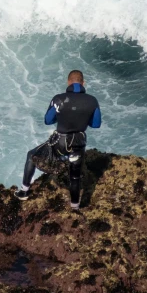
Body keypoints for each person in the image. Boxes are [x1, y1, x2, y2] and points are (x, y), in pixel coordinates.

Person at [14, 70, 101, 210]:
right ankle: (74, 207)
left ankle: (24, 191)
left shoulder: (59, 99)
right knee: (75, 176)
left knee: (31, 155)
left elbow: (48, 120)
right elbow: (96, 124)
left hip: (60, 143)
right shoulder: (92, 101)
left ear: (68, 82)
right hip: (79, 144)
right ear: (83, 83)